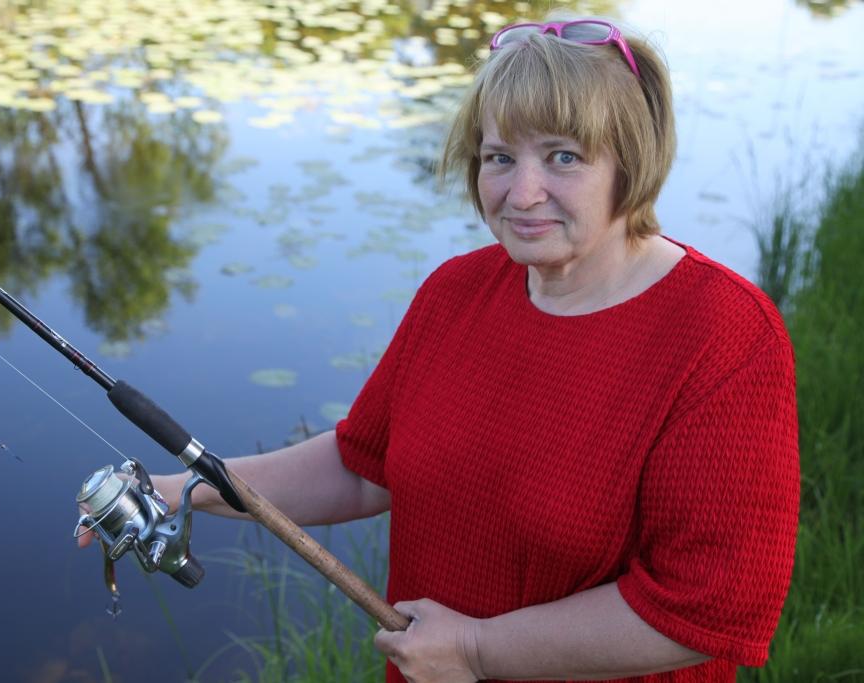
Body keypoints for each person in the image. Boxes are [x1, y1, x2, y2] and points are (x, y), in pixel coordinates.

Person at [82, 18, 800, 683]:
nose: (522, 192)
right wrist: (187, 487)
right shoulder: (457, 292)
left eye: (563, 156)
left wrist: (479, 649)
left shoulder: (723, 337)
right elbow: (363, 465)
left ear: (630, 164)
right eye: (499, 156)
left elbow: (705, 608)